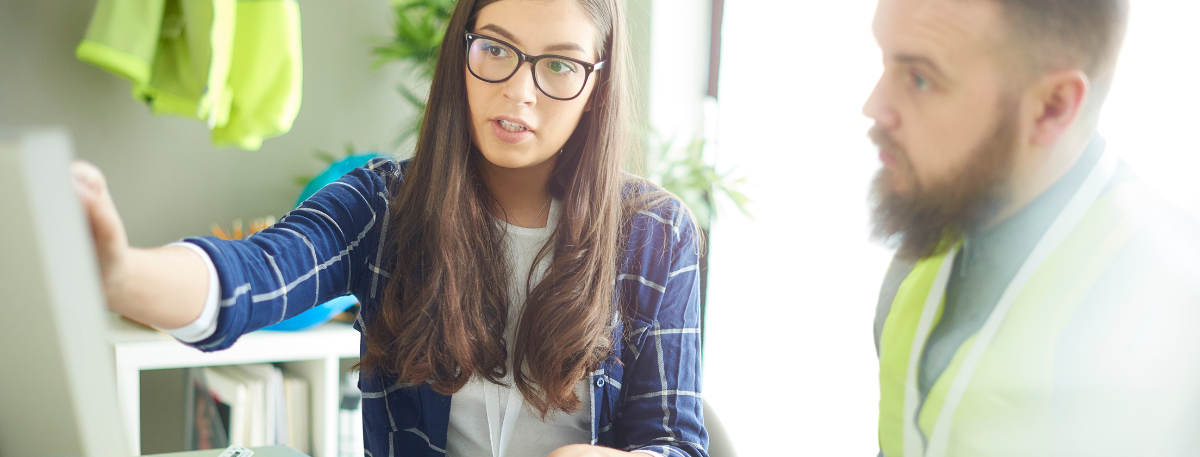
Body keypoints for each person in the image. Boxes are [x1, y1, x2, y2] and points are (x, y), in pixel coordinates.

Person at [71, 0, 707, 456]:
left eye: (560, 66)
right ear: (463, 51)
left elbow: (674, 440)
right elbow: (254, 274)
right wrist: (123, 274)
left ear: (597, 83)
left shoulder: (655, 235)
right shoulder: (386, 204)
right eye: (496, 49)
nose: (519, 91)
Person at [864, 0, 1200, 455]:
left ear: (1051, 107)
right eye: (884, 61)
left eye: (920, 79)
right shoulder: (931, 238)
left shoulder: (1177, 312)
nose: (874, 106)